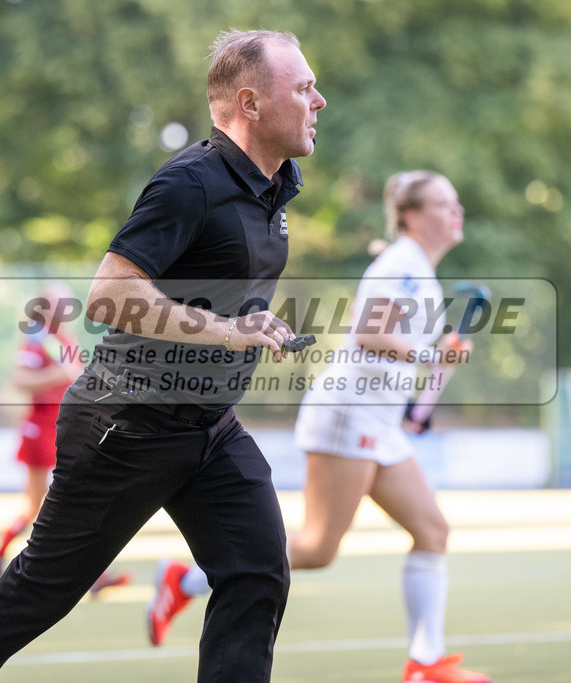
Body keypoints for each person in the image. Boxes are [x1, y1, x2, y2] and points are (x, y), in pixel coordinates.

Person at [0, 28, 324, 683]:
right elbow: (109, 294)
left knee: (258, 568)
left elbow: (213, 284)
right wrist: (223, 329)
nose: (320, 100)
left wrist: (249, 326)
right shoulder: (189, 182)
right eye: (304, 88)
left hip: (209, 426)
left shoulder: (278, 185)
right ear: (251, 104)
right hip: (126, 424)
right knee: (41, 589)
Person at [146, 171, 492, 683]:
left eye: (456, 201)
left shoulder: (415, 267)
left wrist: (418, 400)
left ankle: (425, 663)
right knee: (315, 549)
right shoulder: (403, 263)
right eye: (445, 203)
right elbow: (371, 333)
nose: (456, 210)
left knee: (431, 530)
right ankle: (185, 579)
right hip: (348, 416)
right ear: (412, 217)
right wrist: (429, 352)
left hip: (376, 419)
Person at [0, 283, 131, 593]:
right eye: (57, 303)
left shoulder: (63, 340)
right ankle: (3, 555)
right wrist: (59, 374)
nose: (64, 309)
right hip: (40, 430)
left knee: (71, 501)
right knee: (39, 507)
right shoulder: (36, 342)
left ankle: (89, 574)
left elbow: (78, 378)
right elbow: (19, 380)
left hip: (65, 429)